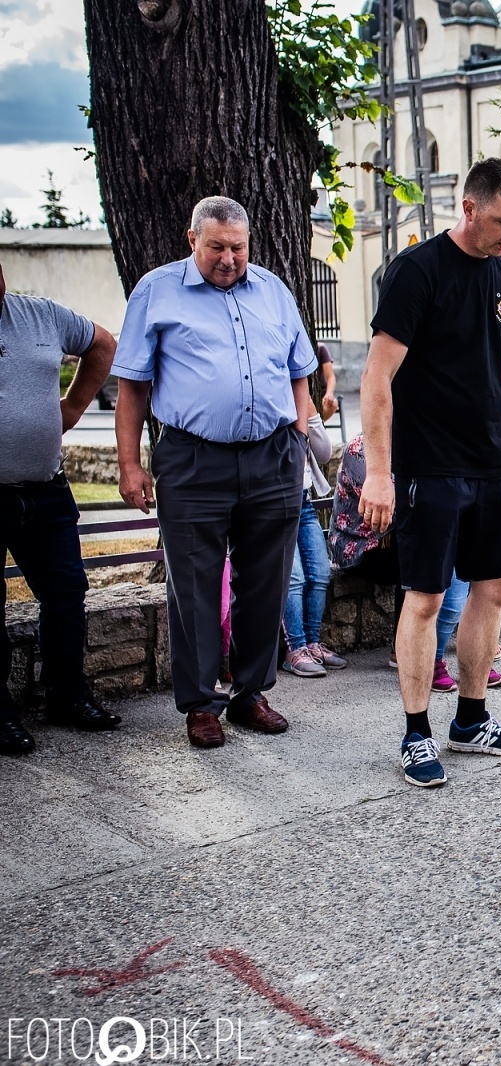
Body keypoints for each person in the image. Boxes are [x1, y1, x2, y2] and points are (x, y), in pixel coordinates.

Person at [359, 158, 501, 788]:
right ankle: (416, 733)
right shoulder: (416, 272)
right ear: (469, 208)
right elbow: (377, 377)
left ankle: (471, 720)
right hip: (429, 465)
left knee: (495, 589)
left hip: (495, 462)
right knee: (426, 598)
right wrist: (381, 474)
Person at [113, 196, 313, 750]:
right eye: (216, 247)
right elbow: (132, 385)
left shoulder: (273, 290)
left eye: (238, 247)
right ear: (192, 240)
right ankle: (201, 705)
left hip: (272, 456)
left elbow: (301, 371)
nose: (229, 258)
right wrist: (130, 463)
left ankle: (251, 693)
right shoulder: (156, 290)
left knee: (265, 579)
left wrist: (297, 436)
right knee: (195, 586)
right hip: (193, 459)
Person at [0, 259, 123, 756]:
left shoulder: (39, 315)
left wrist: (71, 408)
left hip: (46, 488)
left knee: (68, 594)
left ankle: (66, 696)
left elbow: (103, 344)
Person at [328, 437, 501, 693]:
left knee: (458, 533)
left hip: (398, 537)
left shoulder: (422, 443)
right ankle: (410, 653)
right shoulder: (362, 450)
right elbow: (396, 509)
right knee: (424, 544)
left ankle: (474, 651)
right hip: (361, 546)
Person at [280, 413, 346, 677]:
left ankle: (311, 643)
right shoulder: (270, 399)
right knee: (293, 577)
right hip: (277, 501)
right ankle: (294, 649)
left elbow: (323, 453)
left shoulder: (300, 398)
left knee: (320, 572)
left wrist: (310, 411)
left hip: (303, 501)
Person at [314, 342, 339, 422]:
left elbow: (330, 376)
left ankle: (318, 427)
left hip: (321, 394)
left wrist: (329, 394)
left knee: (332, 404)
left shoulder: (321, 348)